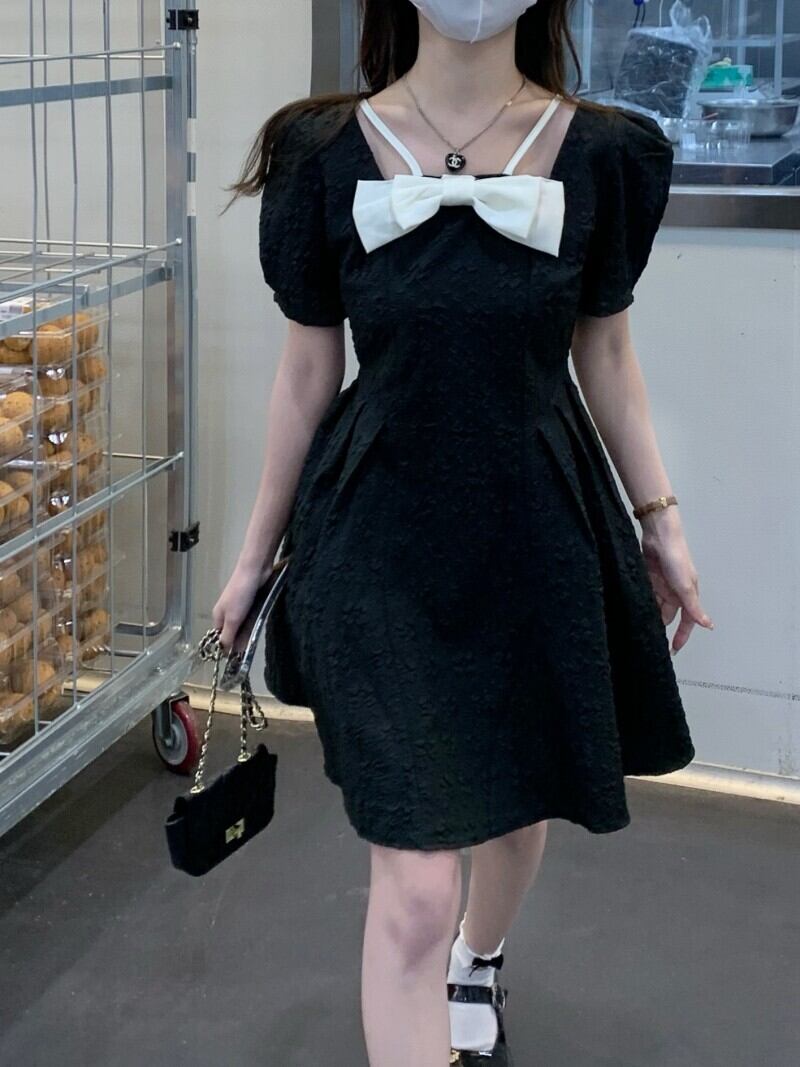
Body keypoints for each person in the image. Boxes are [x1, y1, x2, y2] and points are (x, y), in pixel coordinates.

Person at [215, 1, 714, 1063]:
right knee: (412, 887)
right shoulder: (321, 152)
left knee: (515, 802)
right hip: (377, 533)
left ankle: (477, 958)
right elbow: (306, 372)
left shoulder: (604, 154)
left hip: (536, 524)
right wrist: (253, 558)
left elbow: (606, 355)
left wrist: (660, 520)